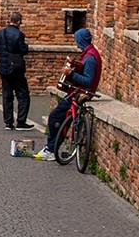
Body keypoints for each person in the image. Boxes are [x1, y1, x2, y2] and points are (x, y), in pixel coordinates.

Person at [38, 27, 103, 161]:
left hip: (82, 93)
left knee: (55, 117)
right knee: (58, 116)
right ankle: (51, 147)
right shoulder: (89, 53)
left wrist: (71, 74)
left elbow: (88, 81)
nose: (76, 44)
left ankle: (51, 149)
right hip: (80, 91)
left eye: (77, 40)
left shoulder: (90, 58)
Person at [0, 11, 31, 130]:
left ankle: (8, 122)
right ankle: (21, 121)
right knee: (23, 94)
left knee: (7, 95)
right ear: (19, 21)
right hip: (16, 68)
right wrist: (26, 46)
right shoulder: (19, 34)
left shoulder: (0, 33)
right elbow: (23, 50)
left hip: (4, 68)